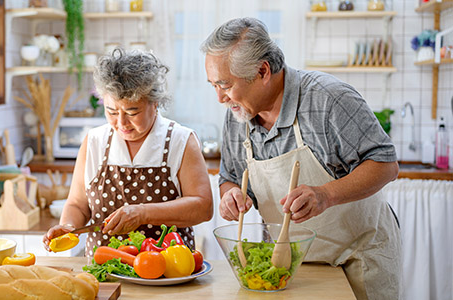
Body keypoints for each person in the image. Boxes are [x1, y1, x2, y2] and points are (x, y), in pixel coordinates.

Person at [201, 17, 401, 300]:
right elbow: (230, 177)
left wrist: (325, 195)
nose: (221, 98)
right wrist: (231, 194)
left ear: (262, 71)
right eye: (214, 86)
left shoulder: (328, 98)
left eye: (225, 85)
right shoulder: (238, 114)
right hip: (288, 267)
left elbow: (385, 165)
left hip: (356, 261)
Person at [43, 48, 213, 257]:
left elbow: (203, 206)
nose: (121, 123)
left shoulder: (180, 140)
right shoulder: (94, 141)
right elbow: (78, 204)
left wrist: (143, 213)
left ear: (155, 102)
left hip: (168, 272)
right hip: (105, 270)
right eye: (112, 111)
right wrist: (68, 226)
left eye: (133, 112)